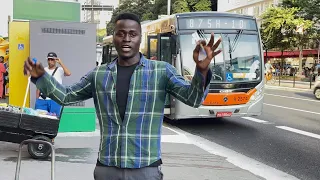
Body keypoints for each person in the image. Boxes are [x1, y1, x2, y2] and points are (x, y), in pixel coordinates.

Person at [23, 12, 222, 180]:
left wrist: (201, 71)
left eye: (132, 34)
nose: (126, 38)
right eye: (121, 34)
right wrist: (41, 77)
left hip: (146, 168)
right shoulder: (99, 74)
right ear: (114, 37)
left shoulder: (161, 72)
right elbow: (66, 96)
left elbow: (193, 99)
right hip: (107, 167)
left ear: (140, 38)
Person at [35, 52, 71, 117]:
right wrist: (37, 99)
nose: (50, 61)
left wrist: (60, 63)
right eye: (49, 59)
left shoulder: (60, 70)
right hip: (42, 99)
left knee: (54, 119)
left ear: (55, 60)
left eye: (52, 59)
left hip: (55, 100)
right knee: (39, 119)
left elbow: (68, 73)